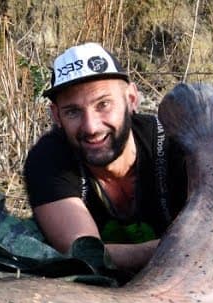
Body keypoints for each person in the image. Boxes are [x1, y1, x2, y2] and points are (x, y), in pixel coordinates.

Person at [23, 43, 189, 275]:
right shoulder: (47, 161)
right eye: (73, 111)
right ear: (56, 115)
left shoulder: (178, 145)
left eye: (103, 104)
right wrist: (181, 249)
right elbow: (84, 253)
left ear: (131, 99)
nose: (91, 127)